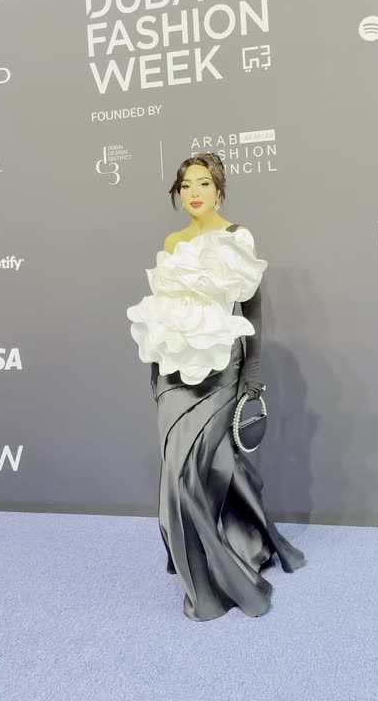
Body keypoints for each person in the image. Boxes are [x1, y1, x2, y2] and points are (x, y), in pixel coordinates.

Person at [127, 153, 305, 620]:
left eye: (203, 183)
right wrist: (154, 370)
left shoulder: (237, 237)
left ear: (219, 189)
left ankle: (218, 578)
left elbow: (252, 311)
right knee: (181, 471)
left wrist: (253, 372)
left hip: (221, 368)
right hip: (173, 371)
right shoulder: (172, 242)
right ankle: (222, 553)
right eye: (185, 185)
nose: (194, 192)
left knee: (199, 471)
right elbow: (164, 311)